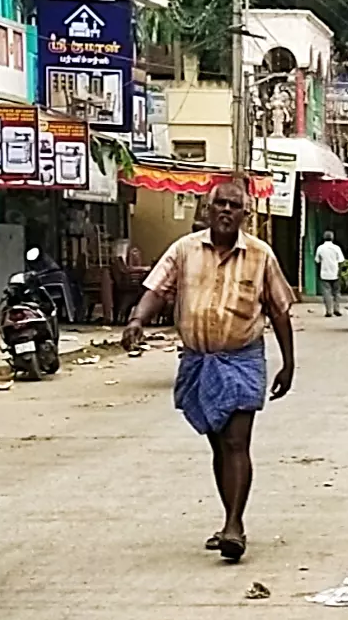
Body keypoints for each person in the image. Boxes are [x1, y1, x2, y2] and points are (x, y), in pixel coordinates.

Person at [122, 178, 297, 563]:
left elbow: (279, 310)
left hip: (242, 358)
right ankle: (229, 518)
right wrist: (137, 321)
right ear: (207, 209)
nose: (226, 211)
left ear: (245, 214)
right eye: (220, 204)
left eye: (234, 206)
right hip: (198, 360)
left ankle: (235, 525)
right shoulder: (184, 250)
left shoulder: (260, 255)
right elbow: (157, 290)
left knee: (236, 441)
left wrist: (288, 363)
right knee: (218, 442)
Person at [314, 232, 346, 318]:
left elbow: (317, 260)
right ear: (332, 238)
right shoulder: (336, 248)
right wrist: (340, 272)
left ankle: (329, 311)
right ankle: (337, 309)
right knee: (337, 292)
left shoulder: (320, 248)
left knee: (326, 293)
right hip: (335, 273)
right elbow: (341, 261)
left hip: (324, 273)